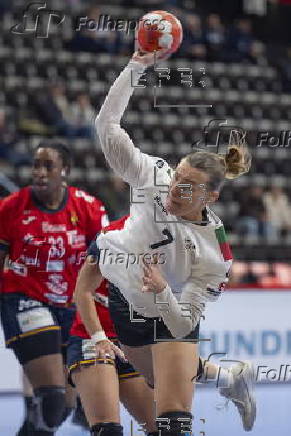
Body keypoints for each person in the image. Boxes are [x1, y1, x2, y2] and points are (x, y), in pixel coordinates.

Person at [90, 49, 256, 435]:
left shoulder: (215, 252)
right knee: (157, 378)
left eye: (188, 186)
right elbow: (107, 126)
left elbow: (183, 323)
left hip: (170, 312)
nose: (174, 189)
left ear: (210, 197)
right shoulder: (153, 176)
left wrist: (164, 290)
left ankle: (220, 383)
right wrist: (138, 65)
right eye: (177, 176)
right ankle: (229, 380)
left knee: (170, 421)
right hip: (123, 301)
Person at [0, 142, 108, 436]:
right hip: (24, 299)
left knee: (60, 411)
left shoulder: (88, 207)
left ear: (66, 171)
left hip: (70, 306)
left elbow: (104, 263)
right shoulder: (11, 208)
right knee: (51, 399)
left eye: (49, 166)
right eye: (36, 165)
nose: (40, 172)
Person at [70, 215, 158, 435]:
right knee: (107, 431)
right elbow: (82, 292)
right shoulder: (110, 236)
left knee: (166, 427)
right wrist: (99, 337)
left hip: (134, 341)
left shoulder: (180, 236)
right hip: (93, 337)